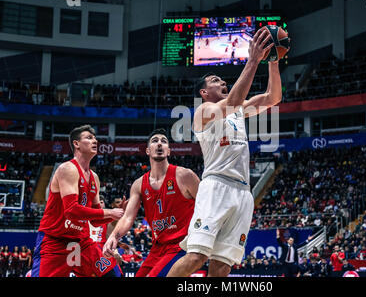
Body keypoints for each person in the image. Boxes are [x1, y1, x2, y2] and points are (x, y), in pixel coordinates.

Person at [167, 27, 281, 277]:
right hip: (216, 186)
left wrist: (273, 61)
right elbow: (231, 103)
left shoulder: (239, 110)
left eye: (222, 80)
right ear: (204, 93)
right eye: (215, 81)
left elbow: (273, 97)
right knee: (197, 256)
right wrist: (252, 60)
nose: (223, 82)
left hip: (243, 192)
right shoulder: (202, 112)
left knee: (222, 265)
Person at [103, 128, 200, 277]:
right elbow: (128, 217)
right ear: (148, 151)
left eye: (164, 141)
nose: (159, 144)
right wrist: (113, 236)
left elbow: (207, 205)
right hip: (157, 248)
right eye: (155, 141)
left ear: (169, 151)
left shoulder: (184, 175)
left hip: (181, 245)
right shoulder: (139, 184)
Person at [31, 125, 124, 277]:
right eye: (89, 138)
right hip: (55, 241)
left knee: (111, 274)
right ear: (76, 144)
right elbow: (71, 210)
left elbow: (94, 220)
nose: (95, 140)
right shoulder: (67, 169)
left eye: (95, 138)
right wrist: (109, 212)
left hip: (81, 242)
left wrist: (114, 215)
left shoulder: (94, 177)